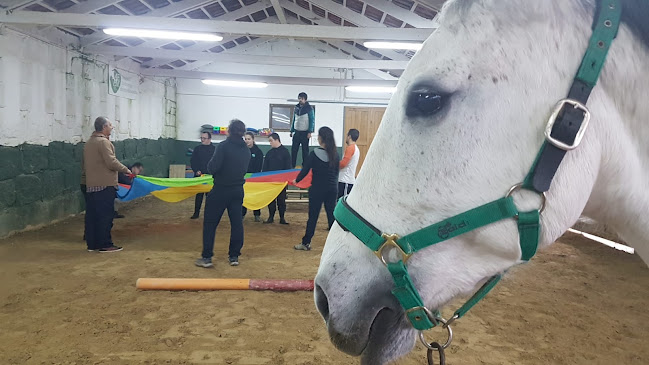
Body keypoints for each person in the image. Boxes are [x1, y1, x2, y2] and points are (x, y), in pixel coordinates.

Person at [195, 119, 251, 268]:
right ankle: (234, 256)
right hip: (238, 190)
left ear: (230, 131)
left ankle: (207, 257)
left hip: (220, 189)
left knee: (210, 223)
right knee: (237, 223)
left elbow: (213, 167)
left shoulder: (223, 146)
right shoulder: (246, 149)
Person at [83, 116, 131, 253]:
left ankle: (92, 244)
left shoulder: (89, 143)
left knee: (93, 216)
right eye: (110, 124)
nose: (112, 127)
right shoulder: (103, 143)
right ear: (104, 127)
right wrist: (126, 170)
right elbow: (111, 162)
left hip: (91, 185)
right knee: (105, 215)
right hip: (105, 184)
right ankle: (105, 244)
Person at [292, 127, 339, 251]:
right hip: (332, 189)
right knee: (331, 217)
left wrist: (296, 180)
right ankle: (337, 244)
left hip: (317, 189)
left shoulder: (314, 153)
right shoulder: (335, 154)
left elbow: (305, 170)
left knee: (313, 217)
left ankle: (306, 243)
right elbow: (336, 173)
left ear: (321, 138)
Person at [262, 133, 291, 224]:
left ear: (277, 140)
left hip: (281, 182)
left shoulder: (285, 152)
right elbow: (265, 168)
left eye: (271, 140)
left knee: (281, 200)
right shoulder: (269, 153)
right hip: (270, 182)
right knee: (271, 200)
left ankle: (282, 218)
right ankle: (271, 217)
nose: (270, 143)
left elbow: (288, 168)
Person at [190, 131, 216, 219]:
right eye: (201, 138)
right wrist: (196, 170)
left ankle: (209, 214)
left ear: (209, 139)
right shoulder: (197, 149)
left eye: (204, 138)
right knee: (199, 196)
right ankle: (196, 213)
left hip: (210, 178)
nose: (202, 140)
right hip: (199, 176)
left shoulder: (215, 150)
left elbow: (216, 163)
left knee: (210, 197)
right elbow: (193, 161)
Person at [242, 131, 263, 222]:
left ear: (253, 140)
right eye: (245, 139)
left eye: (249, 139)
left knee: (255, 197)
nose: (247, 141)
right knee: (243, 196)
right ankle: (242, 214)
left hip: (255, 178)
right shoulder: (241, 150)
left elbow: (259, 166)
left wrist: (254, 176)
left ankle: (257, 214)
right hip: (243, 178)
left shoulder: (258, 152)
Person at [289, 92, 315, 168]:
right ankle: (292, 165)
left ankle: (305, 166)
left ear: (305, 99)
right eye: (299, 98)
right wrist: (291, 130)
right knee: (294, 150)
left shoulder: (309, 108)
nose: (300, 100)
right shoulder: (296, 107)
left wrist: (310, 131)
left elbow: (311, 120)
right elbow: (294, 119)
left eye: (301, 98)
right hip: (297, 132)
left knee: (305, 151)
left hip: (305, 132)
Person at [338, 129, 360, 199]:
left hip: (345, 181)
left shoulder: (350, 148)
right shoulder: (355, 148)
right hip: (347, 181)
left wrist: (333, 164)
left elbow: (343, 164)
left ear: (349, 136)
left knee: (342, 203)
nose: (346, 137)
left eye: (347, 135)